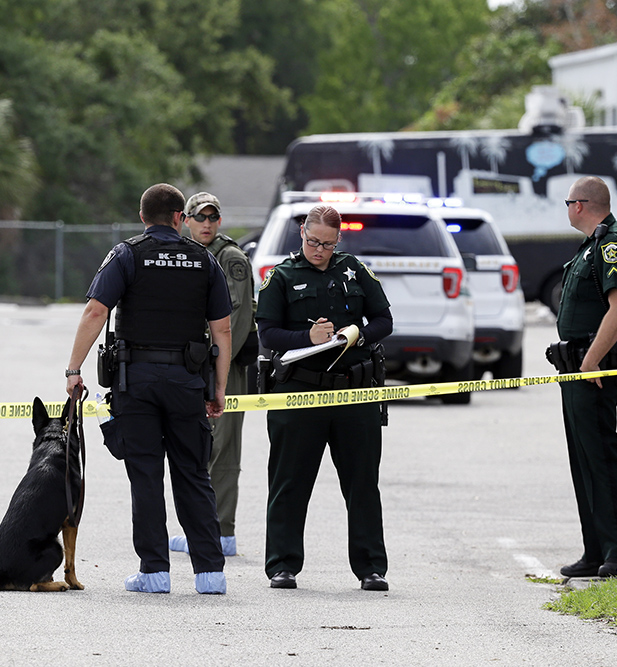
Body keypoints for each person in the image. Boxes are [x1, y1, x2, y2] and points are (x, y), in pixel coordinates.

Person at [65, 183, 232, 595]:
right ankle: (210, 574)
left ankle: (155, 572)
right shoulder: (204, 259)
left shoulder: (127, 254)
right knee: (193, 474)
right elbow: (223, 330)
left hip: (136, 380)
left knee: (145, 474)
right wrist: (219, 389)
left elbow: (95, 311)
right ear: (179, 218)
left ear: (142, 217)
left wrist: (73, 369)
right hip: (187, 381)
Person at [256, 204, 393, 591]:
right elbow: (268, 333)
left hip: (353, 390)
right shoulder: (281, 276)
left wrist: (357, 336)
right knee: (289, 481)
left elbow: (384, 320)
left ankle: (371, 568)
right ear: (302, 231)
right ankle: (283, 565)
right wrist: (308, 338)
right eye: (314, 241)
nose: (320, 250)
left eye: (328, 244)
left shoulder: (354, 270)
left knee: (362, 483)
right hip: (299, 391)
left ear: (338, 240)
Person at [556, 176, 617, 579]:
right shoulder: (592, 245)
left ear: (579, 205)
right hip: (576, 369)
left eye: (568, 202)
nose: (567, 209)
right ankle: (596, 551)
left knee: (602, 458)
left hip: (593, 370)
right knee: (584, 461)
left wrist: (591, 360)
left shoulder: (613, 245)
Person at [169, 192, 255, 558]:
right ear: (185, 220)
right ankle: (203, 528)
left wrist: (213, 368)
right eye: (199, 217)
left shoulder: (230, 258)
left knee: (222, 448)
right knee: (200, 447)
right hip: (196, 364)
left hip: (222, 366)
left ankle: (221, 530)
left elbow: (236, 321)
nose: (206, 224)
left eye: (212, 217)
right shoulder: (189, 255)